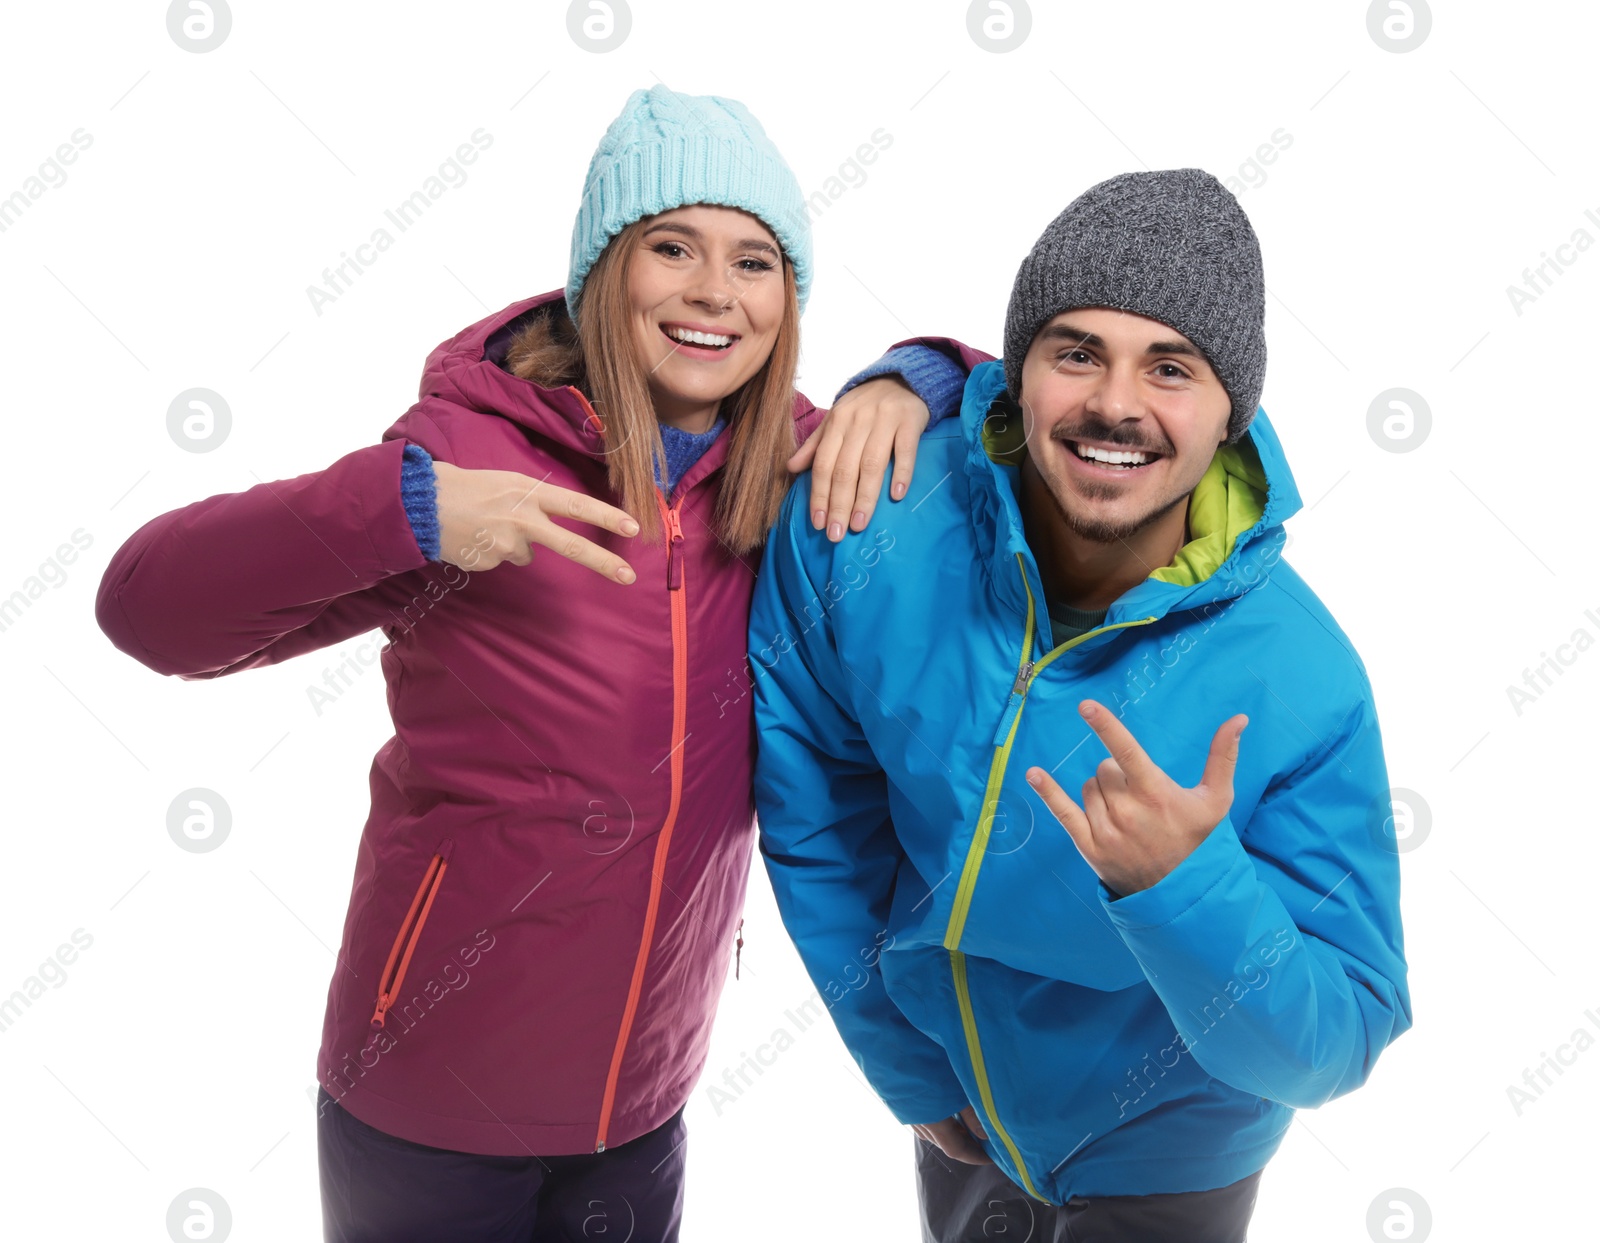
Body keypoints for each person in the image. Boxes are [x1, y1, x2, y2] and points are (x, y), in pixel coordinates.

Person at [95, 85, 967, 1243]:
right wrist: (399, 510)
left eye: (756, 261)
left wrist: (924, 369)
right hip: (428, 1093)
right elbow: (146, 610)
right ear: (605, 272)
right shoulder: (464, 459)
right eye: (674, 246)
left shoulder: (793, 476)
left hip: (643, 1093)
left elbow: (1043, 419)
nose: (716, 290)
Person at [750, 168, 1413, 1242]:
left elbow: (1336, 1038)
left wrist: (1184, 888)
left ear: (1229, 414)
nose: (1114, 402)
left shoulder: (1300, 673)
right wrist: (904, 1064)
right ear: (1019, 375)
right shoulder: (872, 527)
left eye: (1170, 367)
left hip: (1170, 1152)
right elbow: (815, 806)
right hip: (953, 1098)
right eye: (1076, 353)